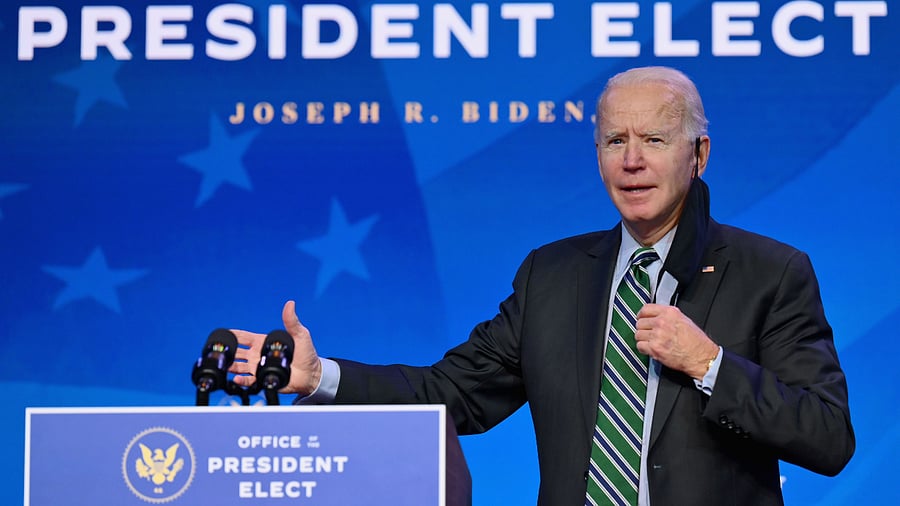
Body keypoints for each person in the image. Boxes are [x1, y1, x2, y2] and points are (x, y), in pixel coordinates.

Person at [229, 66, 854, 505]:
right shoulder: (552, 275)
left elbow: (828, 437)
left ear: (699, 155)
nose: (631, 160)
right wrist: (319, 378)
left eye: (654, 140)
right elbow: (451, 394)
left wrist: (710, 364)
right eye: (615, 140)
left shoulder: (771, 271)